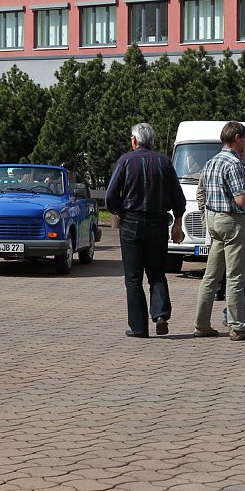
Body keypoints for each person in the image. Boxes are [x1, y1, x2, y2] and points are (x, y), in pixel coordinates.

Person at [106, 122, 186, 338]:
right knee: (157, 273)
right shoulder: (164, 162)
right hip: (158, 223)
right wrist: (177, 223)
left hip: (131, 223)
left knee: (133, 278)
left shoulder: (125, 161)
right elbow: (178, 198)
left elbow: (110, 197)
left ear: (134, 140)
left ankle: (139, 327)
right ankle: (160, 314)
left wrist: (119, 212)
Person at [193, 122, 245, 341]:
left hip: (214, 221)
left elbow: (202, 193)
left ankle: (201, 324)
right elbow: (240, 201)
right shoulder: (235, 164)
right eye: (244, 140)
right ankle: (238, 326)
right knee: (235, 277)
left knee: (211, 276)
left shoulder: (210, 163)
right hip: (232, 221)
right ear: (237, 137)